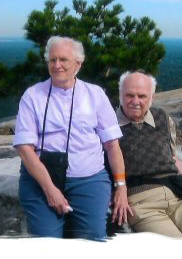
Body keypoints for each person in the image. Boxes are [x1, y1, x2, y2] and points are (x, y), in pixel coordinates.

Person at [13, 36, 132, 240]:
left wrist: (121, 186)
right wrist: (50, 190)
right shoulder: (32, 96)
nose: (57, 65)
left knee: (93, 237)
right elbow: (24, 148)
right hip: (42, 178)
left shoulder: (95, 94)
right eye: (52, 60)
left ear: (78, 63)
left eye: (63, 60)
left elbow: (112, 145)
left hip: (89, 178)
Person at [116, 70, 182, 239]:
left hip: (178, 196)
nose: (135, 101)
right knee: (180, 250)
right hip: (142, 203)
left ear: (152, 97)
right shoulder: (109, 124)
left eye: (142, 96)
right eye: (130, 95)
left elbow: (173, 157)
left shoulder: (162, 117)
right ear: (120, 94)